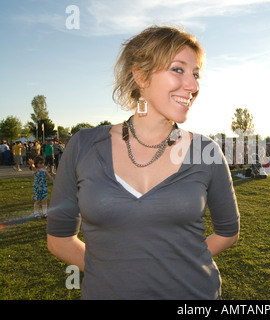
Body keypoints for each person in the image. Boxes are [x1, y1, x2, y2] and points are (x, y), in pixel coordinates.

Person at [46, 26, 240, 300]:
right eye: (178, 69)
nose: (194, 86)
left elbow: (228, 232)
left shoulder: (205, 151)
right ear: (140, 75)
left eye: (196, 74)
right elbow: (59, 238)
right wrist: (113, 272)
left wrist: (179, 266)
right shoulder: (84, 146)